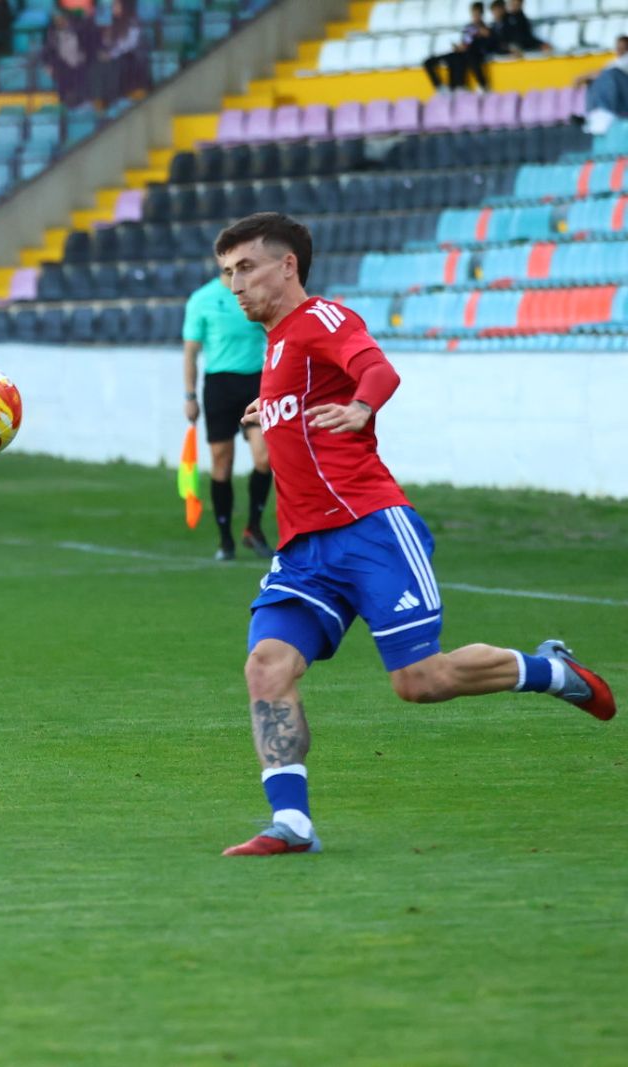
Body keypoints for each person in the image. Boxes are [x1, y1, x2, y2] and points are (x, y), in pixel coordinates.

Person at [211, 212, 616, 857]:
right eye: (228, 272)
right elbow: (310, 400)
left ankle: (549, 670)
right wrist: (273, 410)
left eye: (246, 268)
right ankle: (291, 823)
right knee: (267, 666)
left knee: (420, 681)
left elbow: (376, 370)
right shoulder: (278, 344)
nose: (235, 284)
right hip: (306, 549)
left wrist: (362, 407)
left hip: (370, 529)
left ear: (287, 266)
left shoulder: (321, 318)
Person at [182, 266, 274, 562]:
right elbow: (191, 351)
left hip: (255, 383)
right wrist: (190, 396)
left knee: (264, 458)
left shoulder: (255, 293)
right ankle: (225, 539)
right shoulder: (202, 299)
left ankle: (253, 528)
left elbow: (275, 335)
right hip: (219, 385)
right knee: (222, 462)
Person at [423, 2, 493, 93]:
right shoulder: (469, 28)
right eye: (473, 14)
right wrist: (459, 47)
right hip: (463, 52)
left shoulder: (486, 29)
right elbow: (465, 42)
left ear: (482, 15)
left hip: (474, 54)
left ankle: (476, 85)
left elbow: (484, 44)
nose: (475, 17)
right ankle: (442, 87)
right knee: (430, 61)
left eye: (477, 14)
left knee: (463, 57)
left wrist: (479, 35)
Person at [574, 35, 628, 134]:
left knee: (608, 75)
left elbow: (602, 72)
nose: (620, 50)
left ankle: (605, 112)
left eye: (623, 48)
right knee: (592, 81)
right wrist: (587, 78)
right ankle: (593, 113)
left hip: (624, 99)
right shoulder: (614, 62)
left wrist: (581, 77)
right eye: (618, 48)